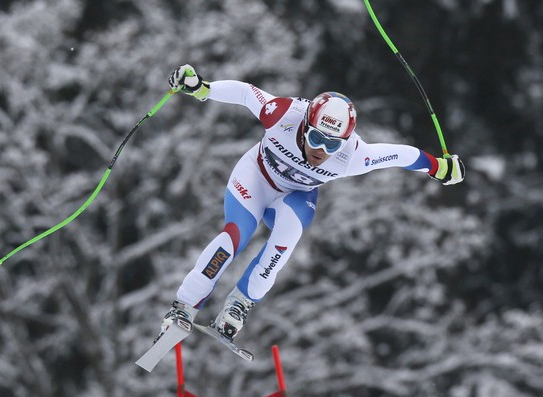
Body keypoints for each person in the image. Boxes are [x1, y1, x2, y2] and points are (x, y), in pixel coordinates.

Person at [156, 64, 465, 342]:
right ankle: (184, 306)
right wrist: (201, 88)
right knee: (233, 239)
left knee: (285, 242)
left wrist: (439, 168)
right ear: (305, 125)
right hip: (257, 177)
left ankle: (239, 304)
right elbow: (246, 93)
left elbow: (402, 155)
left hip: (297, 195)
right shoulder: (285, 114)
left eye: (333, 144)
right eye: (316, 138)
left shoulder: (354, 155)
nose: (321, 150)